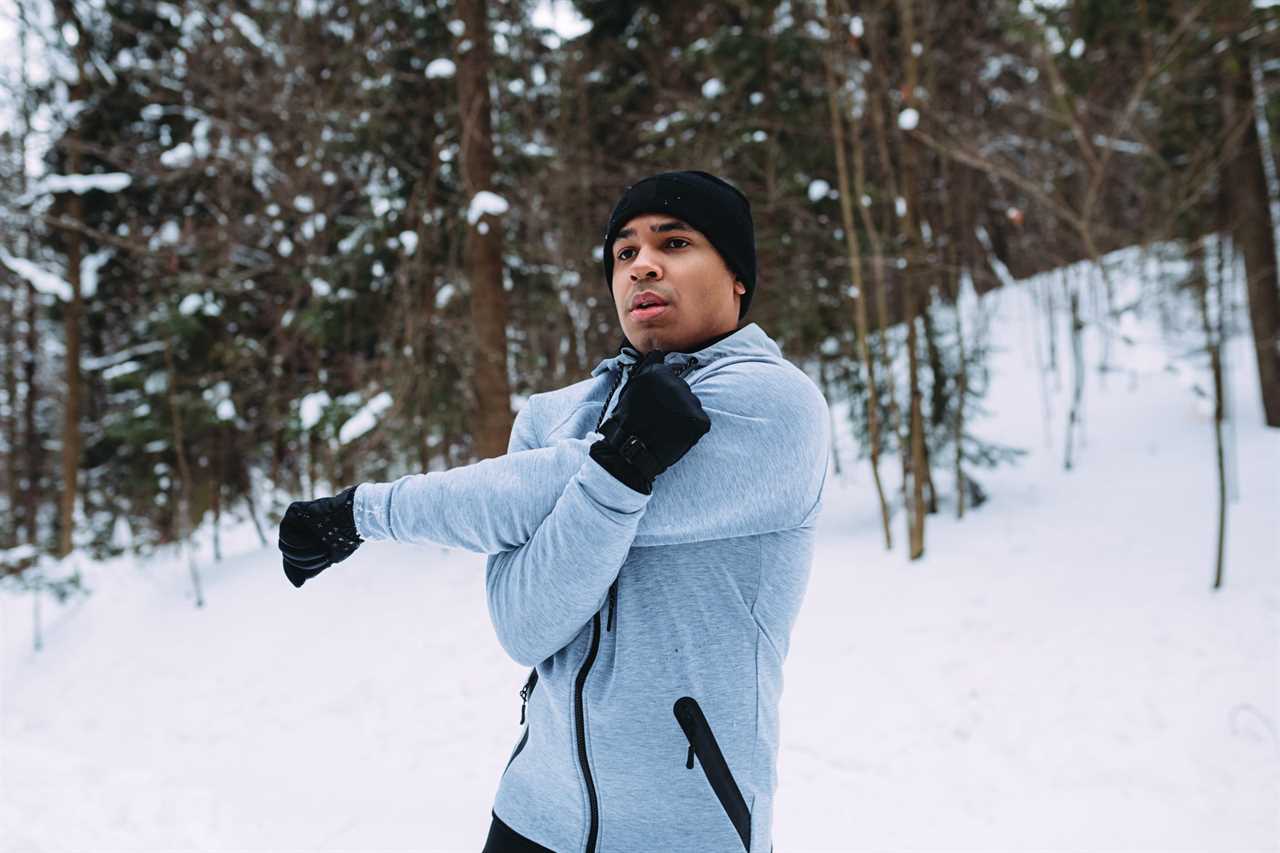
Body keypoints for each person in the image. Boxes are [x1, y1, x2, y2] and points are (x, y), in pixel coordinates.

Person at [278, 170, 830, 853]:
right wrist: (623, 464)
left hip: (686, 832)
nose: (642, 265)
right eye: (623, 253)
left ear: (738, 276)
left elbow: (539, 490)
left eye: (676, 242)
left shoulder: (774, 408)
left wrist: (363, 511)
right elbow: (525, 624)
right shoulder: (552, 415)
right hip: (532, 816)